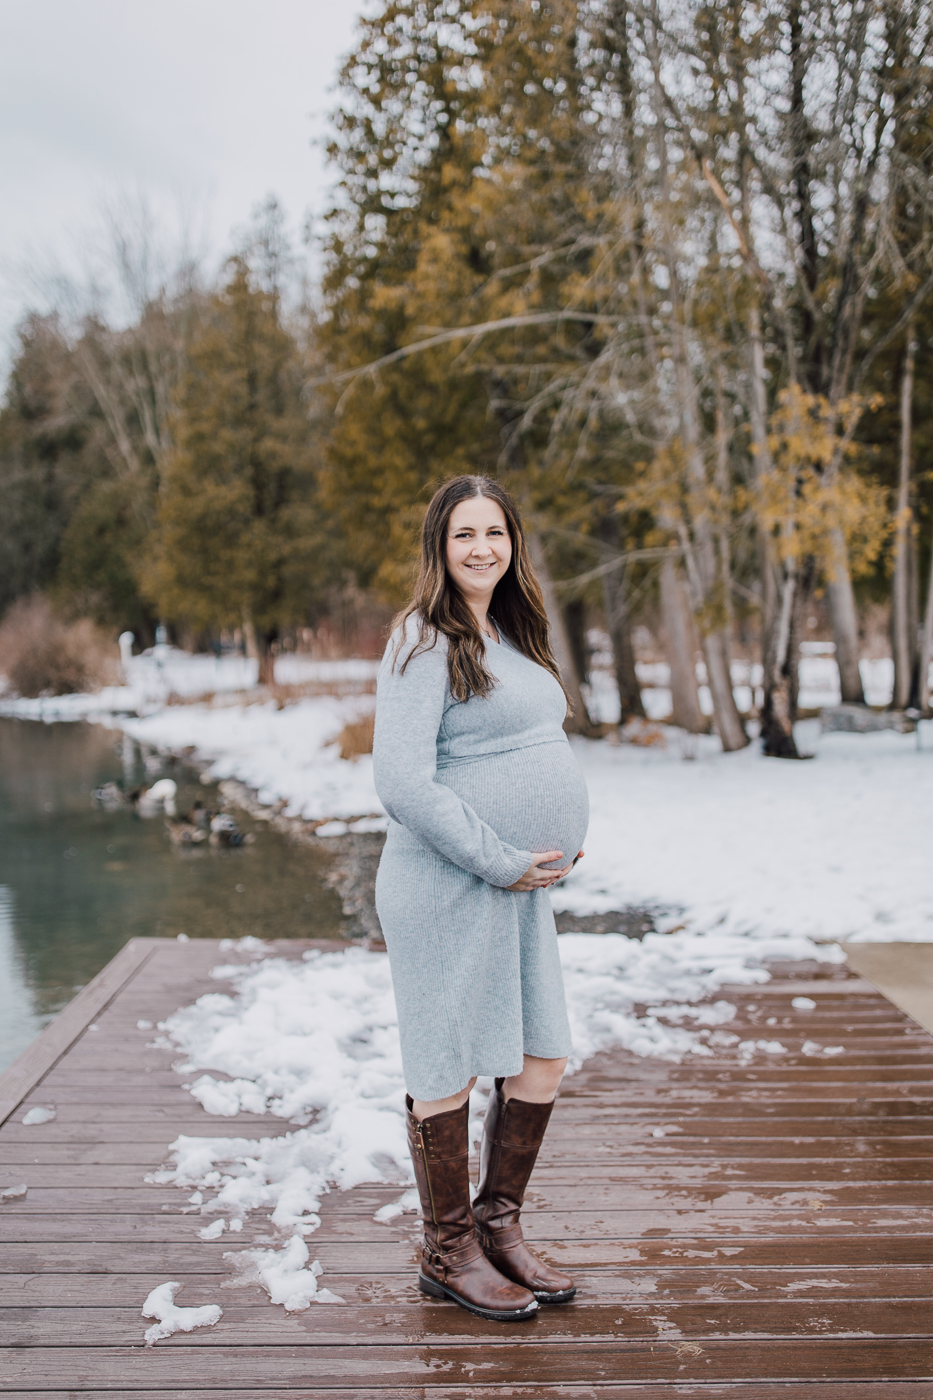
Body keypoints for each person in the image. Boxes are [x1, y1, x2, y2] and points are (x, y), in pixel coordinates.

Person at [373, 474, 589, 1323]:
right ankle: (447, 1247)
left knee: (541, 1057)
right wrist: (499, 858)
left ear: (512, 542)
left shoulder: (511, 631)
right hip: (447, 882)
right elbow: (402, 783)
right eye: (464, 534)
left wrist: (558, 835)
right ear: (440, 544)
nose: (481, 548)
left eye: (494, 533)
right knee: (448, 1065)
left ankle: (499, 1229)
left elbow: (533, 745)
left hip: (517, 885)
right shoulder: (419, 640)